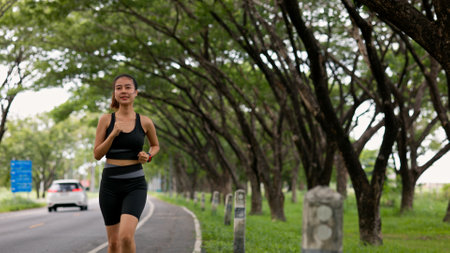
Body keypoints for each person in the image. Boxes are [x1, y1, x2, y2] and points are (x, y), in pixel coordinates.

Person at [93, 73, 159, 253]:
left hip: (134, 185)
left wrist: (148, 155)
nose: (123, 91)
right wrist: (113, 134)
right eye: (119, 87)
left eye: (128, 87)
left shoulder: (145, 121)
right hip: (110, 186)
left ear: (136, 92)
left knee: (126, 237)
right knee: (113, 244)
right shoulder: (106, 120)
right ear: (114, 93)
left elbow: (155, 146)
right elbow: (97, 154)